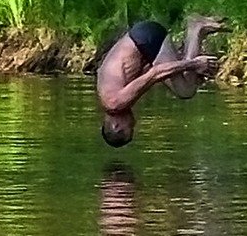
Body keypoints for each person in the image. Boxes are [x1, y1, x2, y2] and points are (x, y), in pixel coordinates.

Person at [97, 15, 227, 147]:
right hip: (143, 41)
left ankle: (196, 27)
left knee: (185, 90)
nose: (134, 123)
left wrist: (194, 64)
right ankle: (197, 30)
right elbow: (146, 72)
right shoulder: (109, 98)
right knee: (183, 83)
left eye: (130, 128)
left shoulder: (116, 102)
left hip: (146, 40)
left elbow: (155, 72)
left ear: (116, 126)